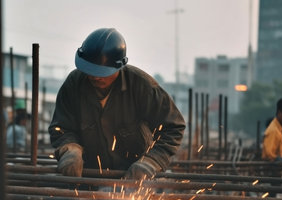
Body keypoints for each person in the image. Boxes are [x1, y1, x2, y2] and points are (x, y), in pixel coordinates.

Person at [48, 28, 186, 180]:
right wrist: (70, 150)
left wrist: (152, 161)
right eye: (90, 71)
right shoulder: (73, 85)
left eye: (101, 72)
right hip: (90, 176)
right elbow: (61, 128)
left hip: (135, 179)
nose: (95, 77)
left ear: (120, 66)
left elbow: (173, 127)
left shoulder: (141, 86)